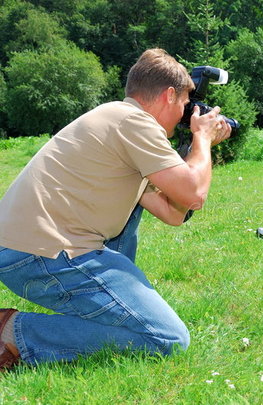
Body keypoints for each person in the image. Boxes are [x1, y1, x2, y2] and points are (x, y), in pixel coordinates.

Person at [0, 48, 232, 370]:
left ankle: (111, 311)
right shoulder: (134, 122)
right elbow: (193, 195)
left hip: (27, 251)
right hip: (42, 256)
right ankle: (13, 331)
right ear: (168, 95)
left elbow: (174, 213)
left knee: (130, 221)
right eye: (183, 103)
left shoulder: (118, 120)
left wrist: (193, 150)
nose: (184, 114)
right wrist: (202, 141)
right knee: (167, 339)